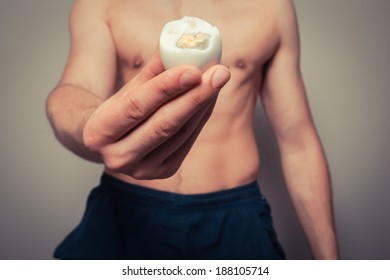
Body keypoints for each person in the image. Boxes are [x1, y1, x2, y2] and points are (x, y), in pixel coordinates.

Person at [46, 0, 338, 259]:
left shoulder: (270, 7)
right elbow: (74, 90)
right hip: (125, 211)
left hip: (233, 216)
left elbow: (298, 143)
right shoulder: (103, 3)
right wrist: (92, 126)